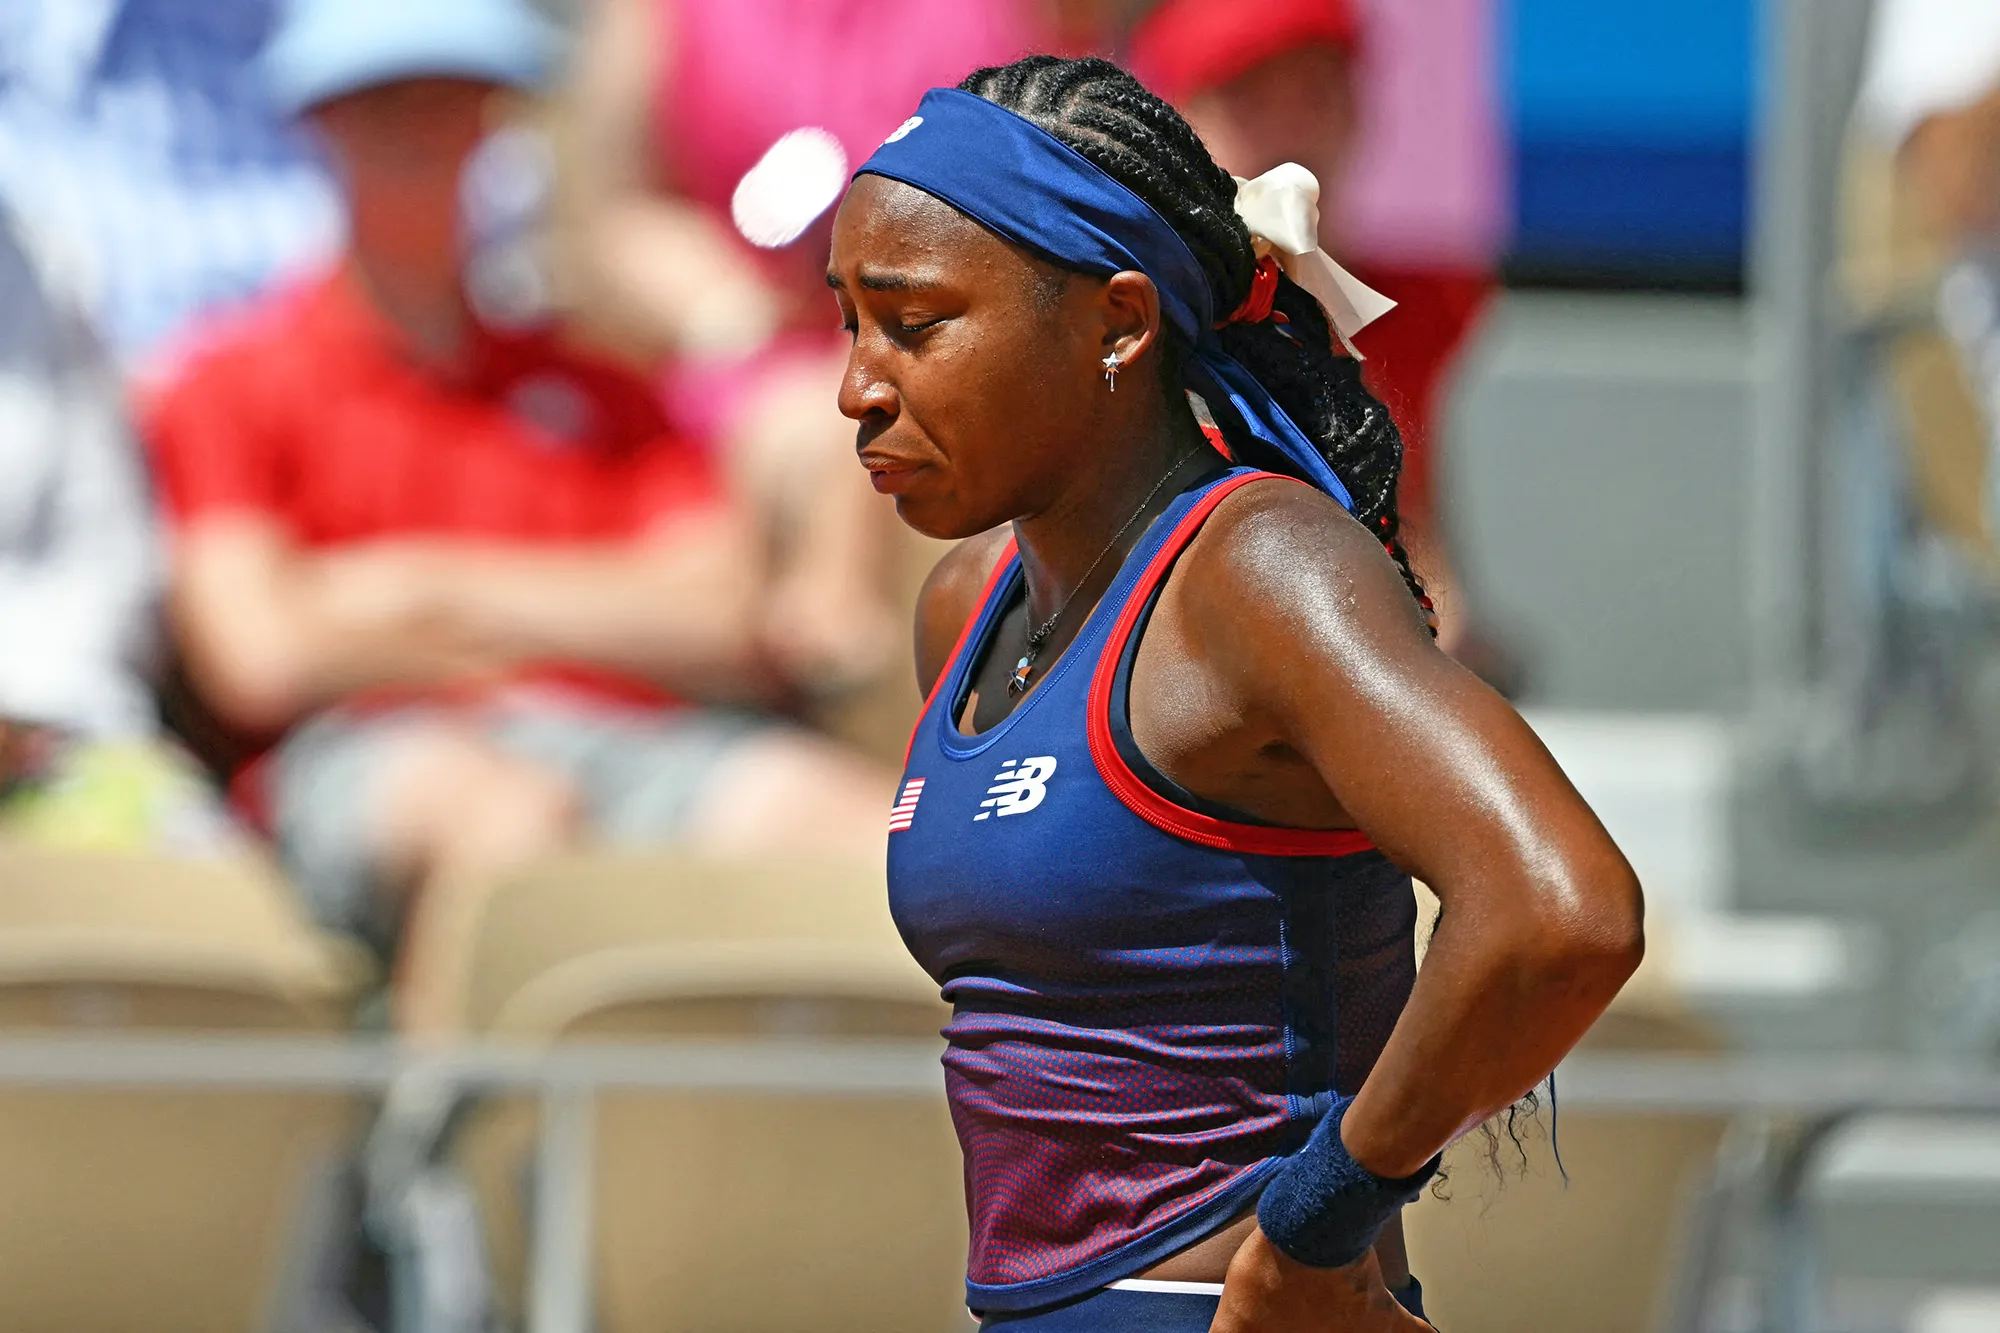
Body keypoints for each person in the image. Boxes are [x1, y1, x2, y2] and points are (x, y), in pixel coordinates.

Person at [831, 58, 1643, 1329]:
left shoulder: (1260, 568)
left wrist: (1320, 1222)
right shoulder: (965, 606)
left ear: (1116, 322)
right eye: (849, 324)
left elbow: (1560, 912)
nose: (859, 388)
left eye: (916, 325)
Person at [145, 0, 894, 1033]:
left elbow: (728, 622)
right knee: (510, 828)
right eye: (382, 103)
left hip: (629, 745)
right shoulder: (228, 381)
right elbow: (261, 653)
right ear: (322, 123)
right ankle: (454, 1173)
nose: (421, 130)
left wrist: (417, 593)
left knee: (880, 839)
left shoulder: (598, 390)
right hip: (372, 765)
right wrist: (581, 620)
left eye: (453, 101)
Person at [1129, 0, 1506, 673]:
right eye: (1248, 96)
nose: (1290, 132)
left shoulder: (1414, 311)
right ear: (1171, 119)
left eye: (1316, 92)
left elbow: (1424, 560)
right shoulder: (1112, 312)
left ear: (1361, 110)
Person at [0, 205, 238, 855]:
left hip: (50, 731)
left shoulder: (38, 260)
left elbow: (100, 554)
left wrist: (33, 714)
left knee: (197, 881)